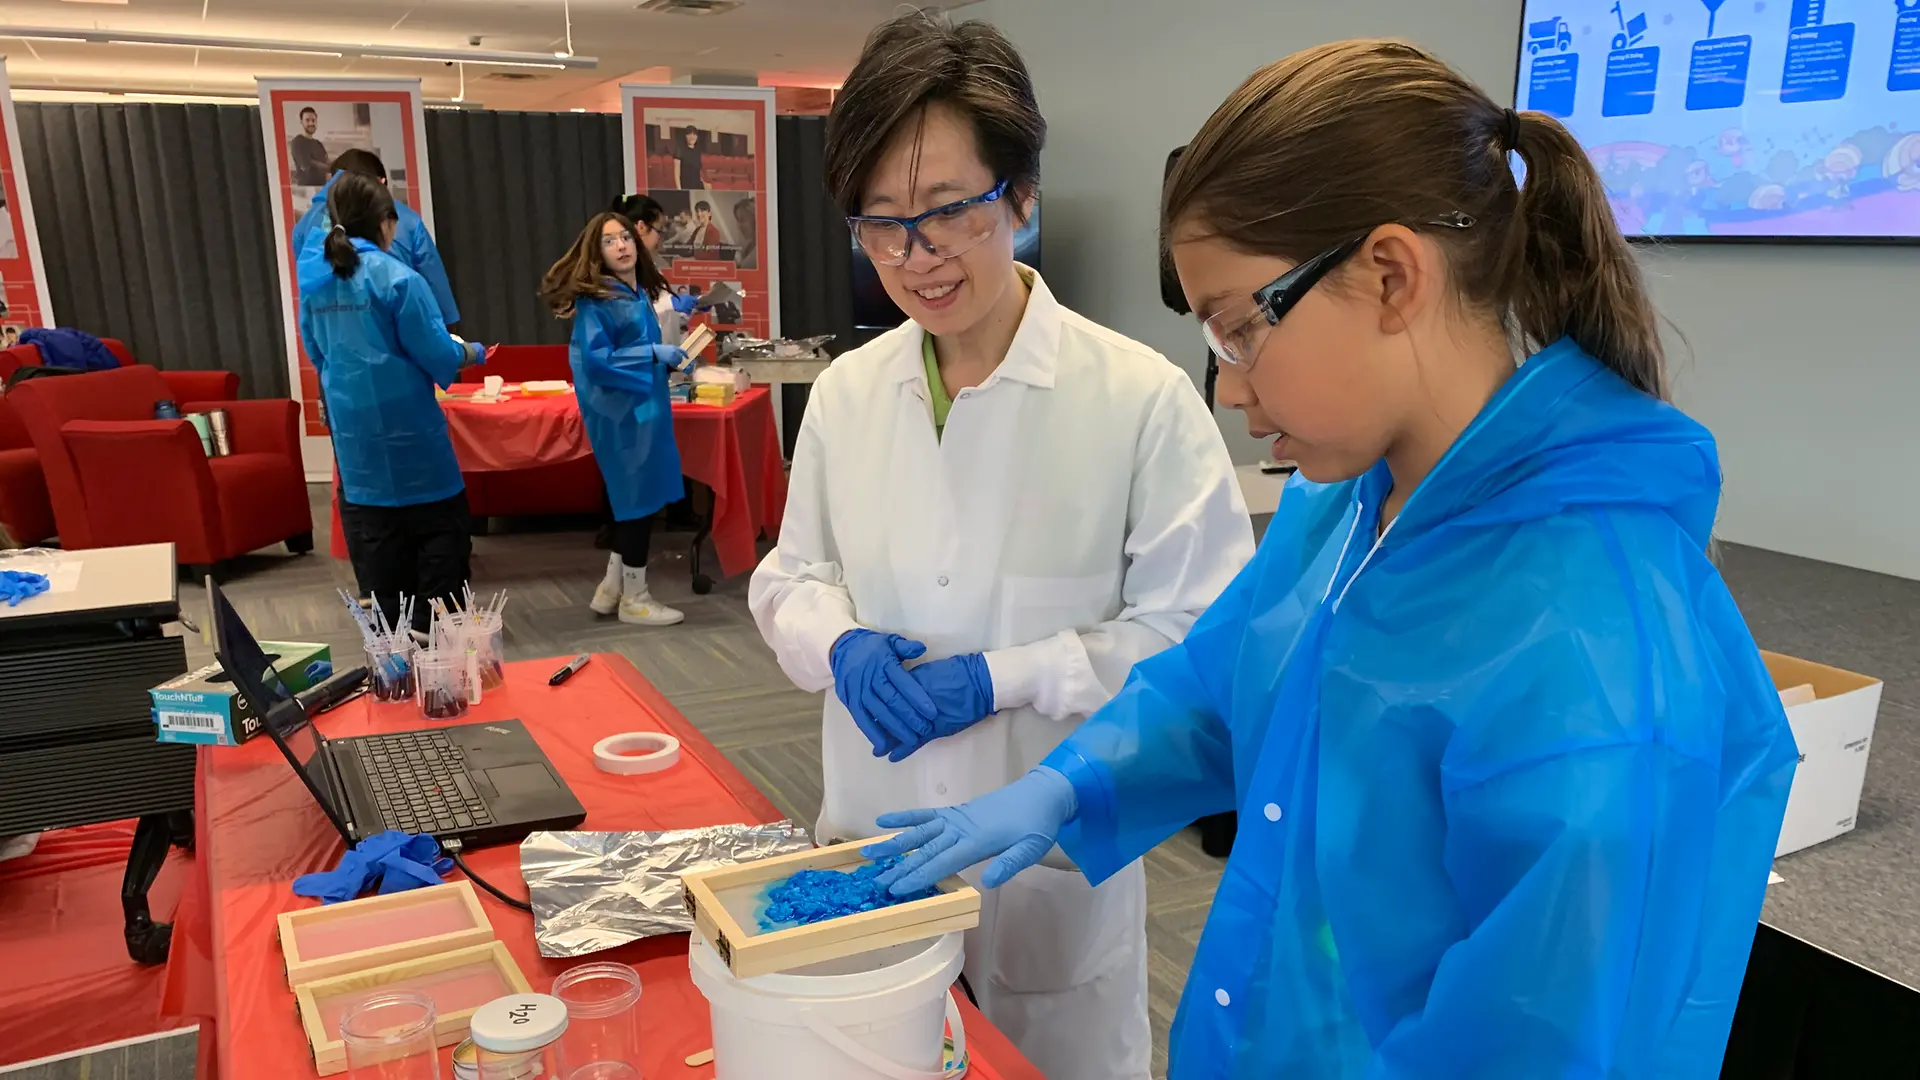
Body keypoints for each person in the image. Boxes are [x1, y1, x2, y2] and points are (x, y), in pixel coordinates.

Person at [864, 40, 1802, 1079]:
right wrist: (1065, 789)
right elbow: (1221, 685)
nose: (1228, 389)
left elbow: (1540, 1040)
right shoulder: (1347, 506)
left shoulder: (1592, 647)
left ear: (1392, 275)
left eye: (1238, 330)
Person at [746, 14, 1252, 1080]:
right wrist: (835, 643)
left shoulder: (1139, 400)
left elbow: (1202, 639)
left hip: (1047, 894)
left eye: (946, 214)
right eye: (879, 225)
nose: (914, 258)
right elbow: (791, 576)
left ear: (1022, 198)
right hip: (869, 867)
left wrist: (1009, 678)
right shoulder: (846, 393)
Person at [299, 173, 487, 633]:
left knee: (387, 612)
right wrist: (471, 351)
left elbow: (318, 357)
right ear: (387, 223)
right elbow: (438, 354)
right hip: (420, 464)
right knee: (443, 607)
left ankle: (396, 694)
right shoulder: (400, 280)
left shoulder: (316, 289)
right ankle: (444, 693)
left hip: (361, 470)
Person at [541, 211, 698, 626]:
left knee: (634, 500)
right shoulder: (600, 301)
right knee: (636, 504)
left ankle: (612, 589)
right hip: (622, 415)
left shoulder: (632, 292)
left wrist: (665, 358)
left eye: (625, 236)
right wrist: (651, 354)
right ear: (597, 251)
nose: (622, 245)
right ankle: (636, 598)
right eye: (610, 241)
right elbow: (595, 360)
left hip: (642, 409)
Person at [292, 149, 460, 326]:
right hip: (401, 338)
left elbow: (309, 302)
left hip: (334, 344)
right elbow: (437, 294)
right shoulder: (404, 220)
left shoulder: (304, 227)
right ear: (381, 183)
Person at [610, 193, 693, 345]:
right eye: (660, 231)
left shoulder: (650, 266)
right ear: (641, 227)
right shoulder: (618, 269)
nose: (661, 240)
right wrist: (669, 305)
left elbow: (659, 310)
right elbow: (625, 315)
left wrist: (684, 310)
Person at [289, 107, 329, 186]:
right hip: (307, 189)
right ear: (301, 122)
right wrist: (328, 168)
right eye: (307, 120)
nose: (311, 123)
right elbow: (306, 165)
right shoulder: (297, 142)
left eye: (313, 120)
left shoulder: (318, 144)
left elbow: (326, 162)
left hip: (322, 188)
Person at [729, 196, 758, 269]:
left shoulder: (762, 251)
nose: (738, 226)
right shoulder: (748, 246)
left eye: (742, 220)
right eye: (738, 221)